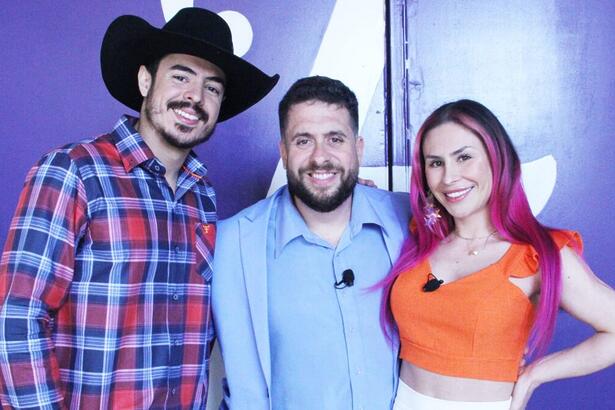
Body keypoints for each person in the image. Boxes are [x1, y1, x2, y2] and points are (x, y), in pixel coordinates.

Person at [0, 8, 278, 409]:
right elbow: (16, 317)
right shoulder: (74, 172)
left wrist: (341, 200)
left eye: (212, 88)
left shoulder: (203, 196)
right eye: (181, 76)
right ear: (146, 80)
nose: (195, 98)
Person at [381, 99, 615, 409]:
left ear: (497, 158)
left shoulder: (537, 254)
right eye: (435, 162)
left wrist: (535, 374)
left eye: (463, 157)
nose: (449, 177)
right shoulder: (416, 238)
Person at [212, 76, 411, 410]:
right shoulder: (232, 243)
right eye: (304, 141)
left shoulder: (408, 218)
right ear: (284, 151)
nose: (321, 157)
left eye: (335, 139)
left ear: (358, 149)